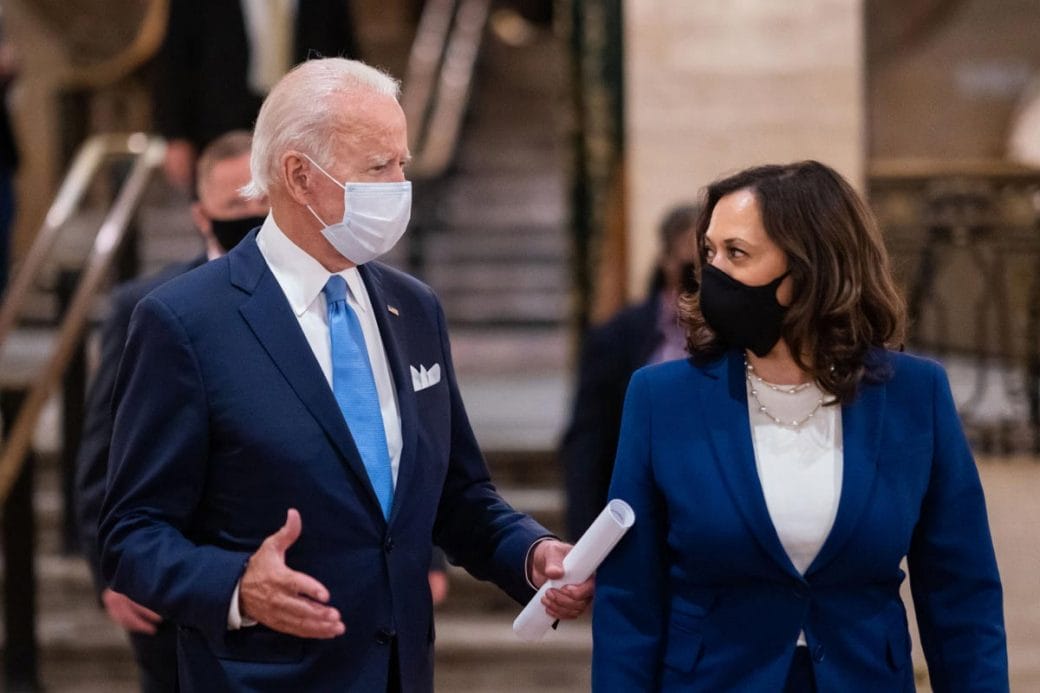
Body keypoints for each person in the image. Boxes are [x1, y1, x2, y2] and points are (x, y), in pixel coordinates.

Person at [99, 58, 593, 692]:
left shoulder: (414, 308)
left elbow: (457, 496)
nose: (400, 185)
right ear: (301, 176)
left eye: (403, 164)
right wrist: (238, 587)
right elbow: (132, 535)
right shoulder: (186, 321)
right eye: (378, 168)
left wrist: (530, 553)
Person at [592, 161, 1008, 691]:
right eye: (709, 253)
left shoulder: (914, 396)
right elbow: (630, 601)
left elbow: (961, 596)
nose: (712, 273)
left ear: (809, 268)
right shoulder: (661, 399)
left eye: (736, 254)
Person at [75, 130, 268, 692]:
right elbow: (103, 450)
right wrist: (111, 572)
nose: (253, 215)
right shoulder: (148, 307)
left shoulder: (325, 296)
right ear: (202, 215)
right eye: (237, 205)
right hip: (177, 579)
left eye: (263, 200)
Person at [559, 204, 698, 540]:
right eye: (693, 261)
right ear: (667, 262)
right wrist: (586, 540)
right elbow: (588, 445)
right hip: (641, 516)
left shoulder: (742, 339)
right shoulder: (619, 337)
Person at [155, 0, 360, 189]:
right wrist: (175, 136)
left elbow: (345, 56)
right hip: (221, 121)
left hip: (304, 118)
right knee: (230, 205)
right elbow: (174, 62)